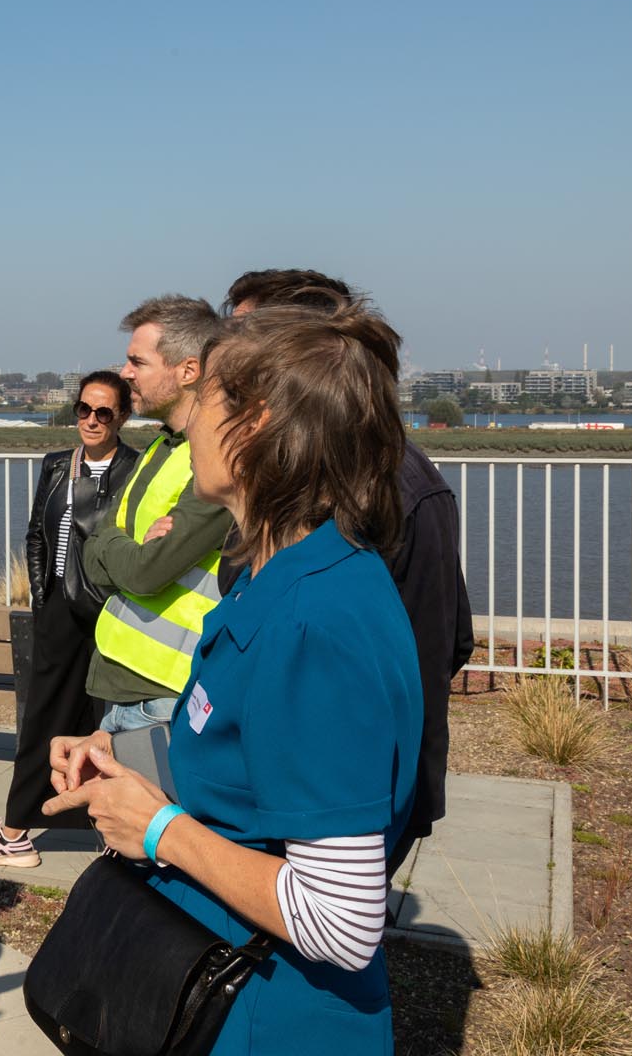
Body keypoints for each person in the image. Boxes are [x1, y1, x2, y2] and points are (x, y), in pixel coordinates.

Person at [44, 303, 423, 1054]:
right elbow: (255, 760)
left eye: (207, 398)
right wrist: (132, 757)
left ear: (253, 428)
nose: (187, 424)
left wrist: (159, 831)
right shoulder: (276, 575)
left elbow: (342, 922)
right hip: (216, 991)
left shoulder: (317, 619)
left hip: (266, 1020)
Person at [223, 268, 476, 872]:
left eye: (241, 343)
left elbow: (431, 648)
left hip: (342, 803)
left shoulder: (397, 489)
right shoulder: (290, 486)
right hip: (282, 788)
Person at [0, 371, 141, 868]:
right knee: (44, 718)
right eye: (84, 409)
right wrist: (43, 596)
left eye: (104, 412)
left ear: (122, 416)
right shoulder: (58, 465)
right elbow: (36, 536)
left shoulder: (136, 470)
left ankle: (111, 831)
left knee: (108, 723)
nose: (91, 420)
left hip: (111, 610)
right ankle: (16, 830)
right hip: (60, 608)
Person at [80, 295, 232, 733]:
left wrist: (118, 547)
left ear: (187, 370)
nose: (124, 373)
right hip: (127, 682)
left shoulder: (218, 453)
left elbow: (147, 572)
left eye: (137, 362)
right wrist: (121, 545)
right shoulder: (164, 445)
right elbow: (94, 551)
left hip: (170, 694)